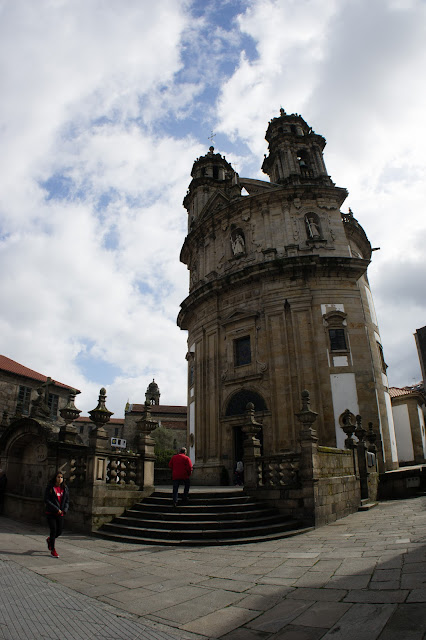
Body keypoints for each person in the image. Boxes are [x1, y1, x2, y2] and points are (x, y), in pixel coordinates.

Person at [44, 471, 69, 558]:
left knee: (59, 531)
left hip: (60, 513)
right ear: (55, 478)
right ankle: (53, 549)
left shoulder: (65, 488)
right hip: (51, 512)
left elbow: (66, 501)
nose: (60, 479)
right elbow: (47, 500)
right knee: (53, 530)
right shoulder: (51, 487)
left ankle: (50, 540)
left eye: (61, 477)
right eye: (58, 477)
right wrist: (56, 509)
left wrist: (64, 510)